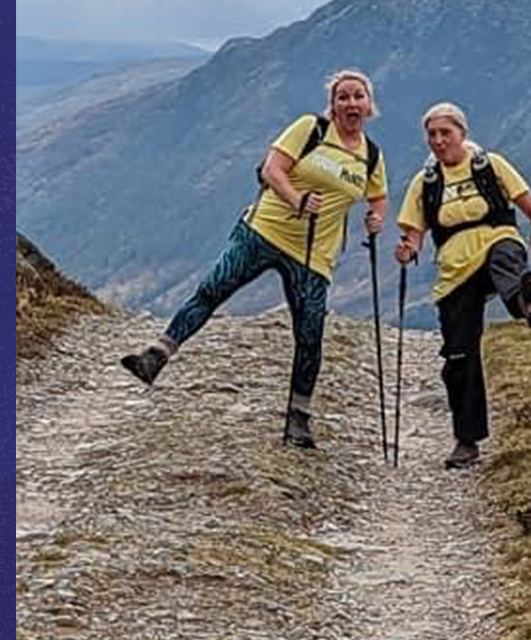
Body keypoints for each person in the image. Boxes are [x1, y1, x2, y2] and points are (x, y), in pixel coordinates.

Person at [118, 69, 389, 450]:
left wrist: (376, 217)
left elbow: (378, 196)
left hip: (314, 255)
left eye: (358, 96)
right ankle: (156, 356)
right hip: (263, 231)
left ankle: (298, 418)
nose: (351, 103)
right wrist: (297, 200)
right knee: (212, 289)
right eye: (343, 97)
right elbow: (272, 169)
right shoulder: (310, 130)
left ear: (369, 105)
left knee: (310, 335)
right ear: (333, 105)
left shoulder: (371, 156)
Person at [393, 102, 531, 469]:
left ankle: (525, 303)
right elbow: (413, 236)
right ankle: (467, 441)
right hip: (454, 269)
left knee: (505, 254)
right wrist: (406, 250)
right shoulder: (425, 183)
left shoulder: (490, 166)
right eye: (432, 134)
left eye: (445, 133)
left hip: (497, 241)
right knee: (459, 356)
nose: (438, 140)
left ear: (462, 133)